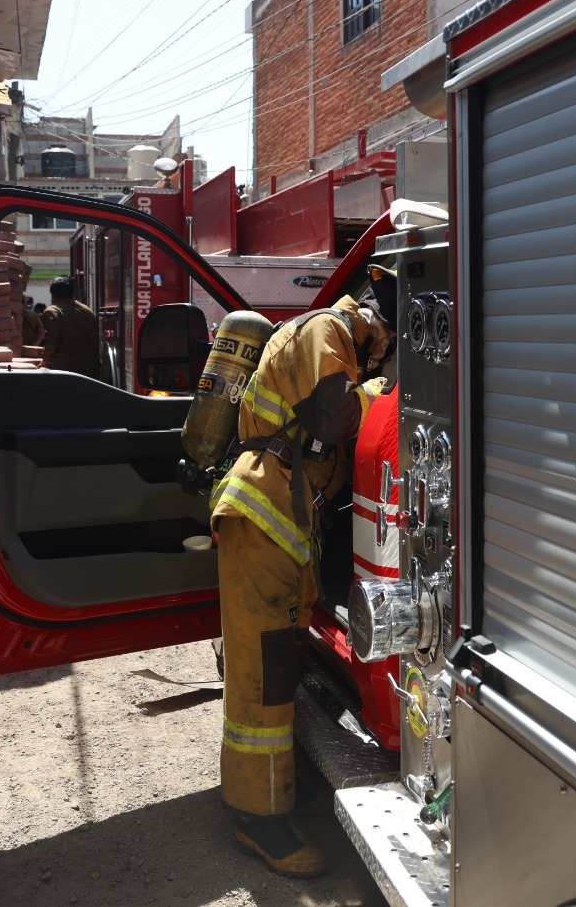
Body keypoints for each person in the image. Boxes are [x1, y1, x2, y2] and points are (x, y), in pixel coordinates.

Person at [209, 287, 393, 877]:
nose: (379, 360)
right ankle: (256, 819)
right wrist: (387, 397)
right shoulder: (327, 332)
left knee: (283, 661)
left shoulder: (331, 339)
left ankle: (278, 787)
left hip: (279, 522)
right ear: (372, 324)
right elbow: (329, 416)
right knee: (262, 670)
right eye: (383, 349)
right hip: (260, 515)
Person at [38, 277, 105, 380]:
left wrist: (45, 360)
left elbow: (52, 340)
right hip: (91, 370)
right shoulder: (87, 310)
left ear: (52, 294)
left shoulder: (52, 311)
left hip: (67, 371)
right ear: (72, 292)